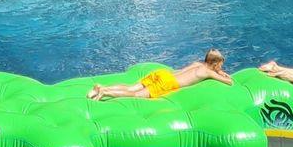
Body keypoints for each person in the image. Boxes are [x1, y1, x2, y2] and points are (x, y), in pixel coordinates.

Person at [88, 50, 233, 101]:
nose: (221, 68)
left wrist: (218, 70)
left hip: (163, 74)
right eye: (220, 65)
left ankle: (101, 87)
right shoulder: (208, 72)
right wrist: (220, 73)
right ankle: (104, 92)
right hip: (167, 83)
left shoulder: (198, 64)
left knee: (132, 87)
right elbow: (229, 82)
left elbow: (204, 67)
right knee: (136, 95)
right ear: (215, 64)